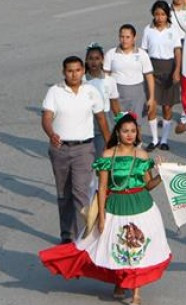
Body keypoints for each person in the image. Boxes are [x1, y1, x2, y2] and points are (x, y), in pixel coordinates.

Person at [39, 112, 170, 304]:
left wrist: (162, 175)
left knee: (138, 248)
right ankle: (119, 282)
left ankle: (135, 293)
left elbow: (148, 185)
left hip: (142, 206)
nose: (129, 135)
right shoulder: (108, 156)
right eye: (125, 131)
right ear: (118, 133)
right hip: (115, 206)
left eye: (133, 131)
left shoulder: (142, 155)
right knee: (116, 246)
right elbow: (101, 188)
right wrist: (101, 217)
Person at [40, 55, 110, 240]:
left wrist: (110, 144)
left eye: (78, 70)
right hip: (60, 148)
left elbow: (101, 118)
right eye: (70, 71)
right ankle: (66, 236)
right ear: (64, 72)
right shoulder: (54, 91)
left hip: (84, 149)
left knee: (80, 193)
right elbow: (47, 117)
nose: (74, 74)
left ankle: (82, 236)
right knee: (64, 194)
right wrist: (51, 134)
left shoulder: (91, 91)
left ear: (83, 71)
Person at [140, 1, 183, 151]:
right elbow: (144, 51)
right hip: (153, 70)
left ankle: (164, 139)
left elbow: (177, 51)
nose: (160, 17)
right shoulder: (148, 30)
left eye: (163, 14)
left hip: (169, 69)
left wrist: (177, 70)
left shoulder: (173, 30)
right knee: (151, 105)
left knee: (167, 107)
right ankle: (154, 139)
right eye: (157, 14)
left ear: (167, 15)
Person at [103, 25, 155, 131]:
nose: (124, 40)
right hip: (117, 93)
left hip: (137, 94)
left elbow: (149, 76)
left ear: (134, 38)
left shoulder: (142, 54)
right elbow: (105, 76)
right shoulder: (111, 54)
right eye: (122, 37)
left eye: (127, 37)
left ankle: (136, 145)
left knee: (136, 124)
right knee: (118, 123)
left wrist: (151, 97)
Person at [84, 44, 121, 157]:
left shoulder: (109, 81)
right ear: (86, 60)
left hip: (104, 123)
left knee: (103, 158)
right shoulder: (81, 81)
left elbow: (115, 105)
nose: (94, 62)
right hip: (85, 123)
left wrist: (122, 123)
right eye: (90, 59)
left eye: (97, 58)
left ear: (102, 60)